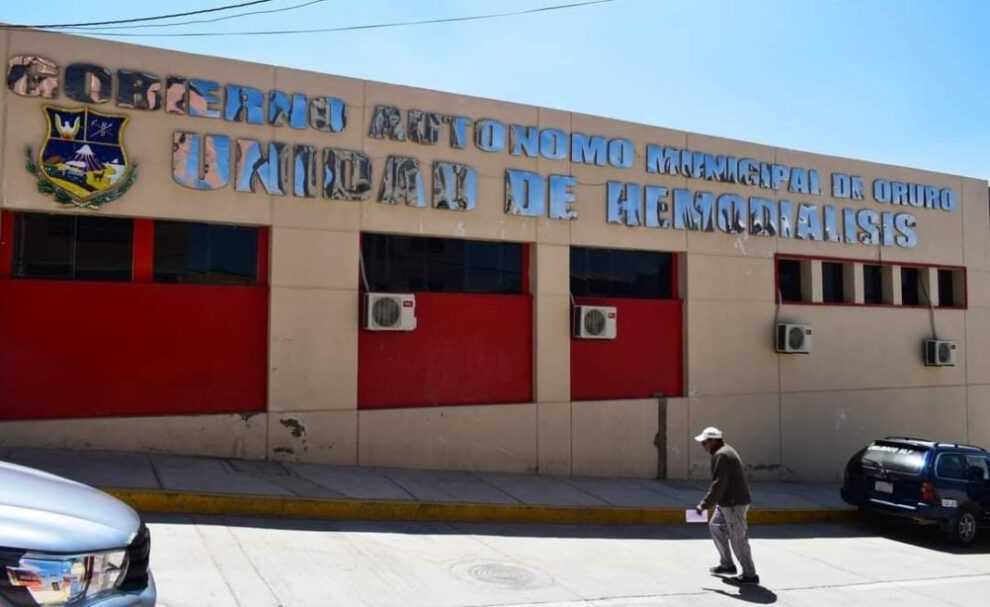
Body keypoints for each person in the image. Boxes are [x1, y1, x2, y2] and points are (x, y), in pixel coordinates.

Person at [694, 426, 759, 585]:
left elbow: (719, 483)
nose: (703, 445)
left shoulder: (722, 455)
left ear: (713, 441)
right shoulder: (722, 452)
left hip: (733, 504)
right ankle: (727, 564)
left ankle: (750, 575)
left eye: (704, 442)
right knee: (715, 525)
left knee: (738, 539)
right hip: (726, 502)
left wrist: (704, 504)